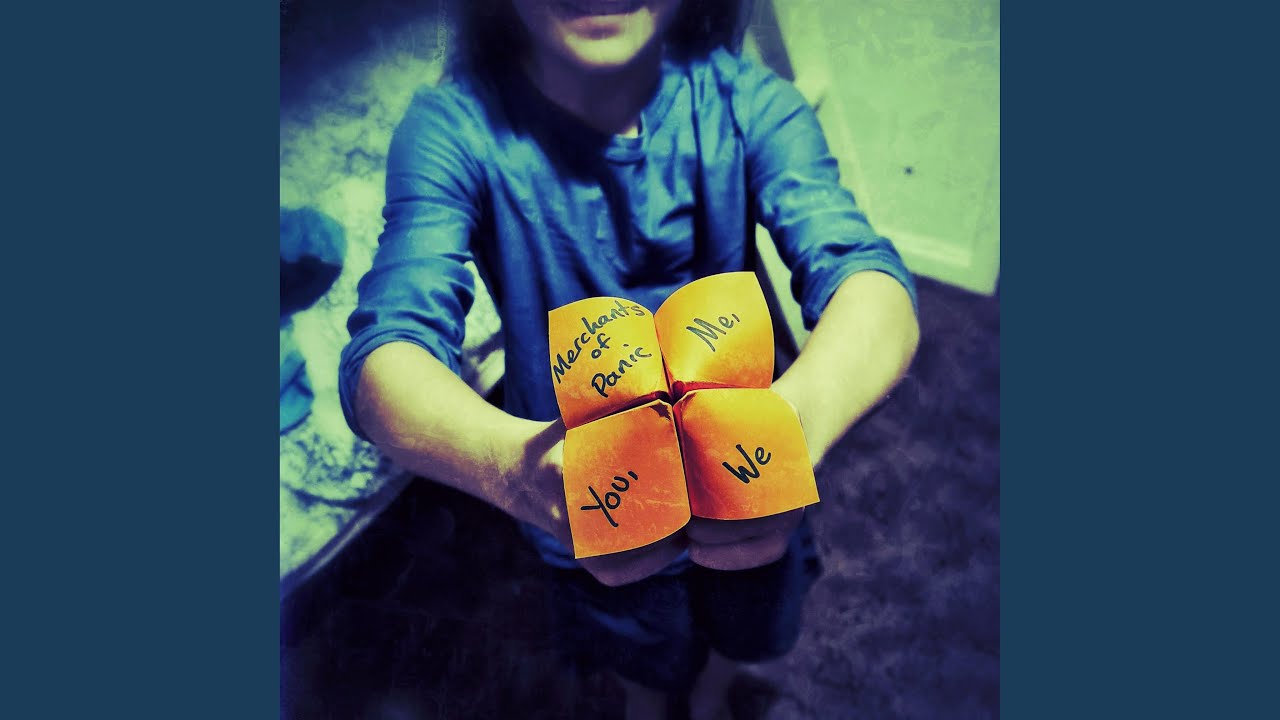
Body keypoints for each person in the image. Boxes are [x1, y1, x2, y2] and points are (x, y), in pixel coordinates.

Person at [338, 1, 920, 717]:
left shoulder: (748, 101)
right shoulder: (451, 129)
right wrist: (515, 470)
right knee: (634, 646)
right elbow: (384, 353)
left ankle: (710, 694)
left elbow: (871, 281)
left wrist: (800, 423)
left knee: (751, 615)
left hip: (747, 467)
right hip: (586, 498)